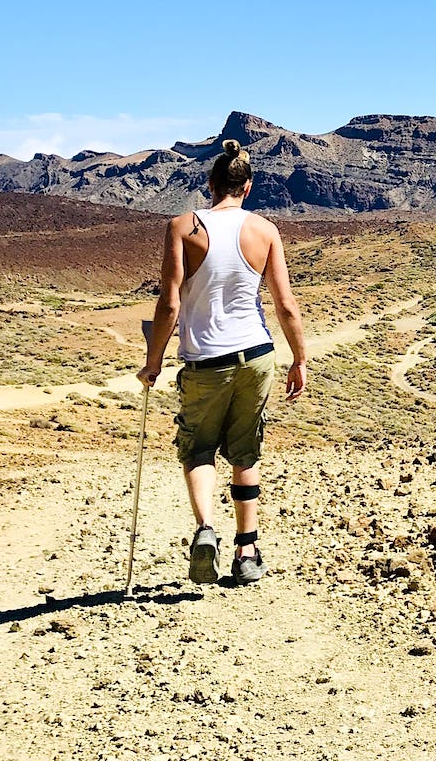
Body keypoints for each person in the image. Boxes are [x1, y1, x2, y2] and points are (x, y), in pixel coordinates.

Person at [137, 139, 307, 586]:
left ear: (210, 184)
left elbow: (169, 304)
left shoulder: (182, 226)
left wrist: (152, 362)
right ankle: (247, 551)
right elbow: (285, 304)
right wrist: (299, 359)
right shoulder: (265, 230)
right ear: (247, 187)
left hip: (205, 359)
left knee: (198, 448)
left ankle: (205, 530)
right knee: (245, 449)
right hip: (256, 355)